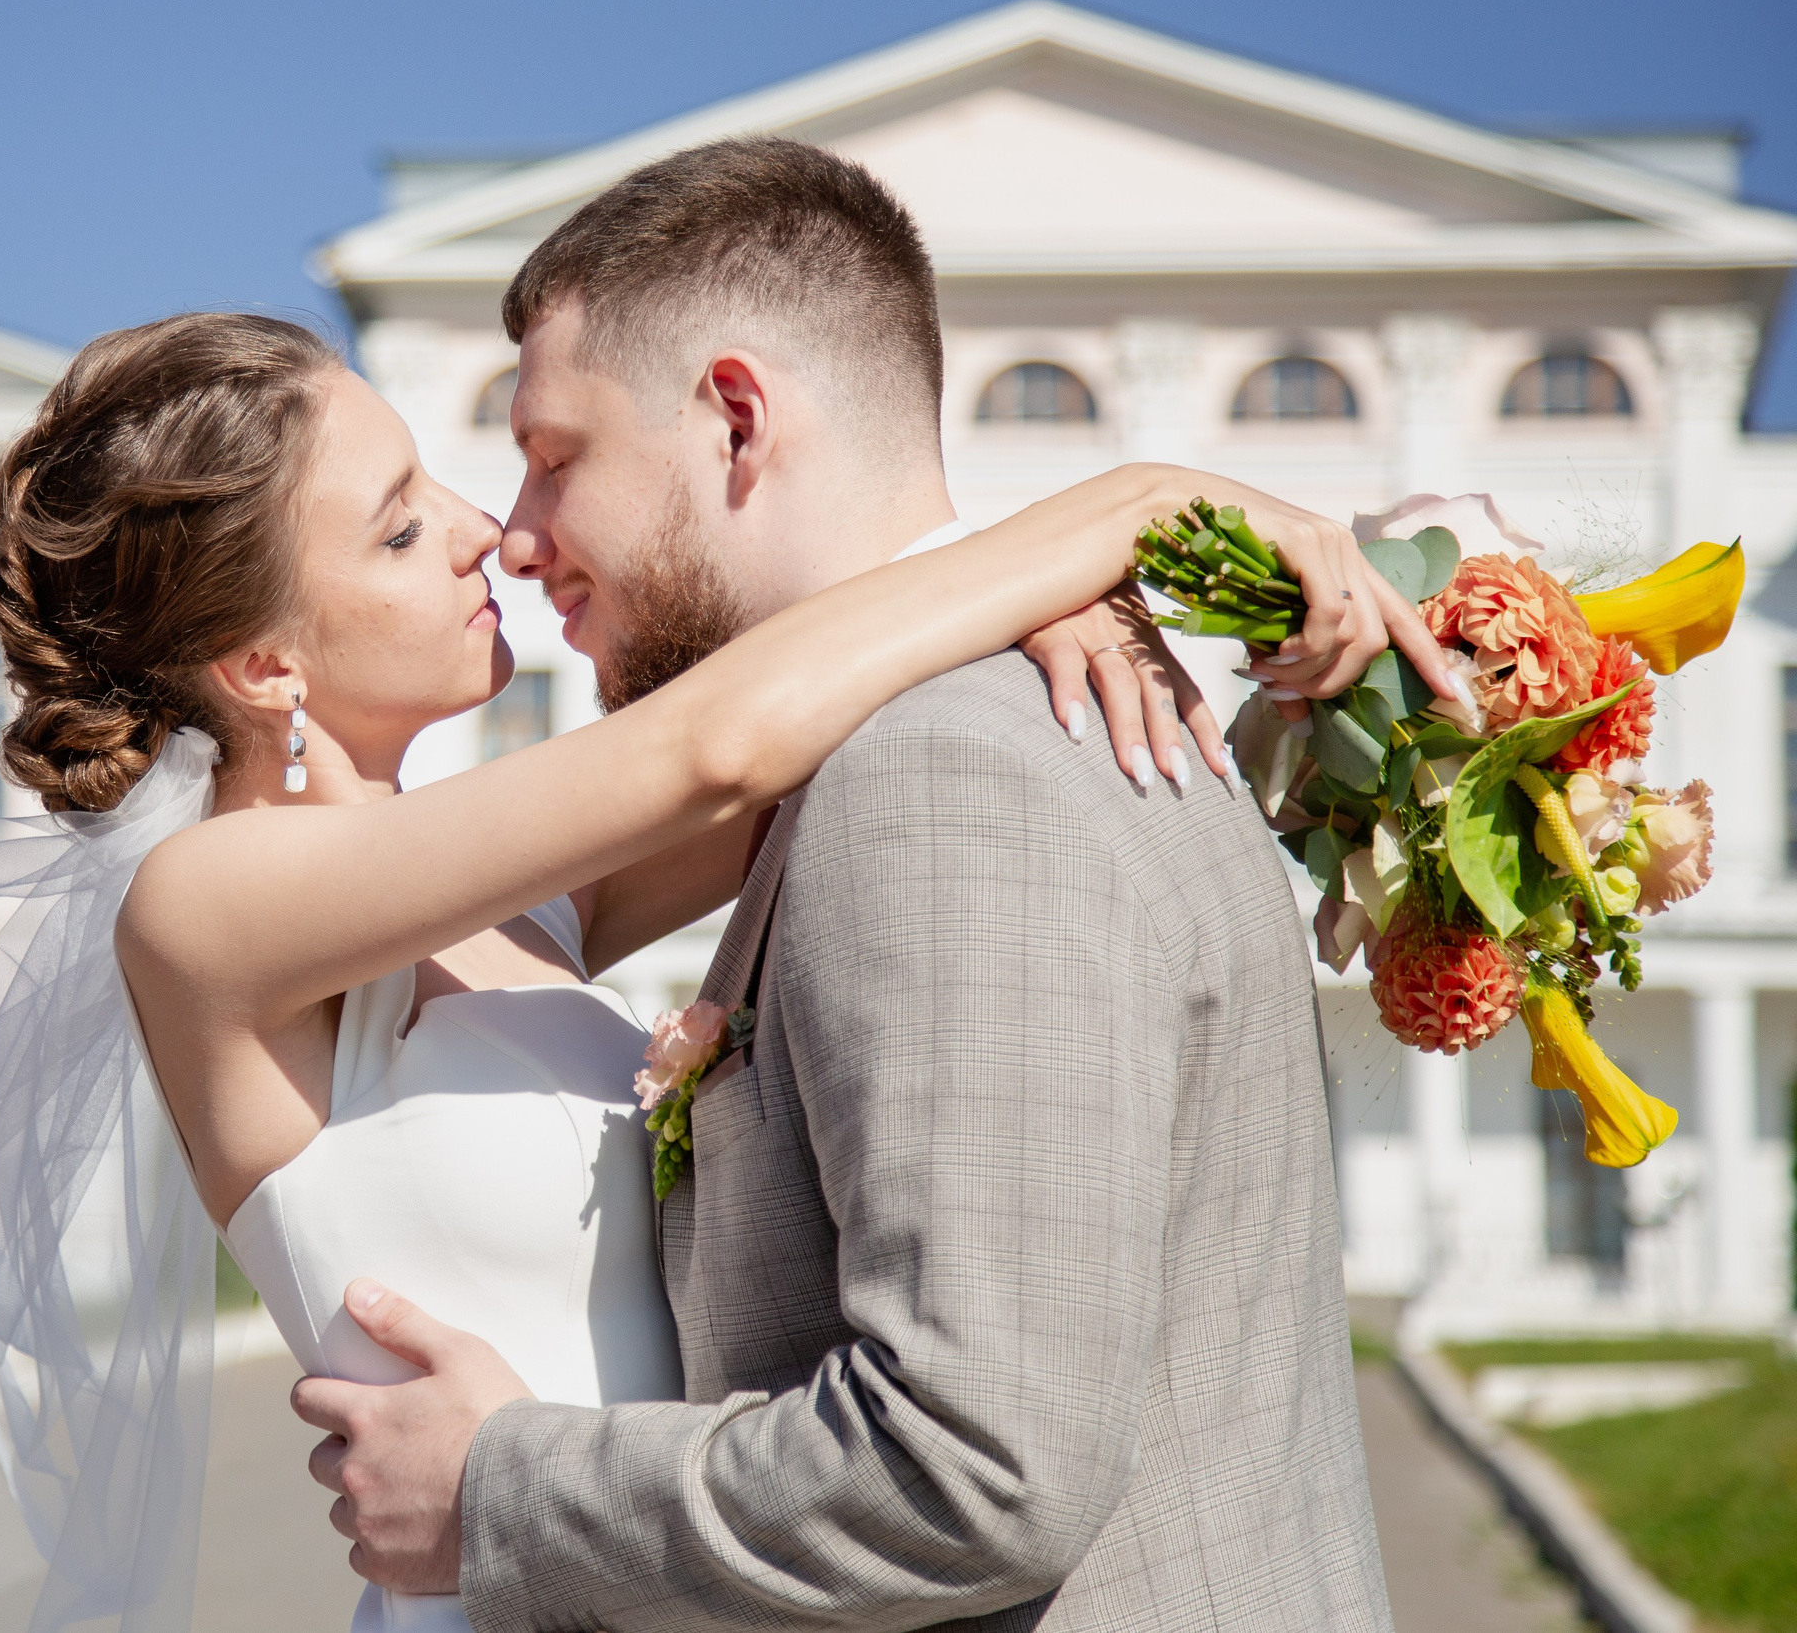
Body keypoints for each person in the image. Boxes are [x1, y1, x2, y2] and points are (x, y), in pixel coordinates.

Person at [0, 155, 1440, 1633]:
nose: (492, 535)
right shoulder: (213, 916)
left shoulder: (497, 893)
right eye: (405, 523)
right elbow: (719, 745)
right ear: (270, 657)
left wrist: (1050, 613)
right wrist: (1127, 508)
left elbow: (826, 734)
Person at [284, 138, 1428, 1633]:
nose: (513, 532)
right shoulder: (985, 718)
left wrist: (499, 1487)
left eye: (555, 453)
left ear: (738, 422)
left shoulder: (946, 770)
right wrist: (1077, 543)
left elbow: (975, 1464)